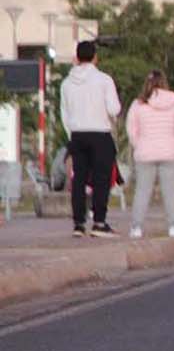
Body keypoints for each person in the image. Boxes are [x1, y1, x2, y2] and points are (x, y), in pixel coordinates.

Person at [60, 40, 122, 238]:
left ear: (77, 58)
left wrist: (72, 133)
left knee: (78, 179)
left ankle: (78, 223)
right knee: (101, 179)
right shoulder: (104, 80)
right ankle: (99, 222)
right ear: (95, 57)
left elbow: (64, 113)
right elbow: (114, 109)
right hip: (100, 134)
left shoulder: (66, 83)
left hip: (77, 135)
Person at [124, 69, 174, 238]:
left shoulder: (138, 104)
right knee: (171, 191)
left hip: (145, 151)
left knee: (142, 191)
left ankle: (137, 227)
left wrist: (139, 145)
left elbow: (131, 129)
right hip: (170, 151)